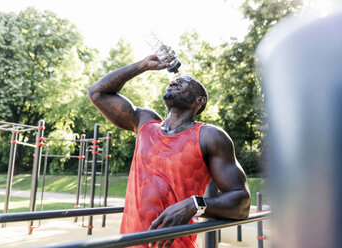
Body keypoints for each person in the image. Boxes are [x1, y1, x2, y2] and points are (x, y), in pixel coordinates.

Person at [87, 54, 251, 248]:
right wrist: (143, 65)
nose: (174, 81)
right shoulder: (145, 122)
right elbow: (97, 92)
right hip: (130, 243)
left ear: (200, 99)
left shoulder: (210, 136)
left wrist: (194, 204)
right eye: (174, 81)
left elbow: (242, 202)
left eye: (184, 82)